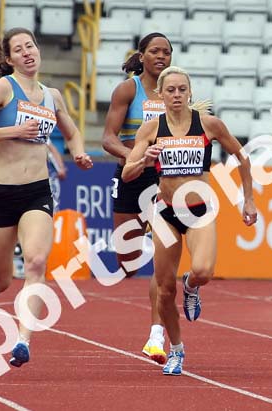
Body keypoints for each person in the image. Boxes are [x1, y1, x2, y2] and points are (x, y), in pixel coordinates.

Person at [0, 28, 93, 367]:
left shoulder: (53, 96)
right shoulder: (3, 88)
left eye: (30, 46)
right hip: (1, 192)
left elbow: (73, 130)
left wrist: (78, 152)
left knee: (36, 263)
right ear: (10, 59)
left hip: (37, 191)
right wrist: (14, 131)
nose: (27, 52)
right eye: (19, 50)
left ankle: (22, 340)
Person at [122, 66, 257, 375]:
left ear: (190, 92)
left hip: (200, 209)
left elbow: (242, 157)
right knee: (165, 289)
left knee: (203, 271)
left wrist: (248, 198)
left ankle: (192, 286)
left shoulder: (208, 125)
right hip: (166, 211)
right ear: (160, 95)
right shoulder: (150, 130)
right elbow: (128, 173)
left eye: (182, 89)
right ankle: (177, 350)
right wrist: (145, 159)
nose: (177, 95)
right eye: (171, 90)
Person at [101, 32, 172, 362]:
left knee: (163, 259)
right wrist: (135, 156)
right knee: (126, 264)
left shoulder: (176, 89)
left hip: (164, 178)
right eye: (155, 51)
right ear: (141, 56)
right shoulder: (129, 89)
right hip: (131, 175)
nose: (161, 56)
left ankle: (156, 335)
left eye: (167, 52)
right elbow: (108, 138)